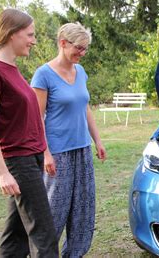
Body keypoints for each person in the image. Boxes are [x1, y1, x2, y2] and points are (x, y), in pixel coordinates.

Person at [0, 9, 58, 257]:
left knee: (16, 235)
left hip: (30, 159)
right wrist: (3, 173)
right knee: (44, 234)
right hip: (18, 162)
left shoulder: (12, 69)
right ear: (12, 34)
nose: (33, 40)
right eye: (30, 34)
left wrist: (42, 153)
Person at [31, 22, 106, 257]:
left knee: (83, 210)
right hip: (57, 153)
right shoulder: (43, 75)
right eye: (79, 48)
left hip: (82, 149)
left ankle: (74, 254)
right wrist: (45, 153)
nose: (82, 53)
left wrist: (97, 141)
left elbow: (85, 109)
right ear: (63, 43)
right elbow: (37, 118)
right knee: (55, 210)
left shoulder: (80, 72)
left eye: (85, 49)